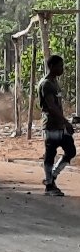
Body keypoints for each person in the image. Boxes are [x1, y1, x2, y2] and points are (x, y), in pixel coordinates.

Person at [39, 55, 75, 196]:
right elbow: (51, 107)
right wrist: (66, 121)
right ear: (52, 66)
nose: (62, 69)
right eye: (60, 66)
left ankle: (52, 176)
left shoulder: (54, 82)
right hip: (51, 126)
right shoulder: (46, 84)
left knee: (70, 151)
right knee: (50, 154)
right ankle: (49, 186)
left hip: (59, 125)